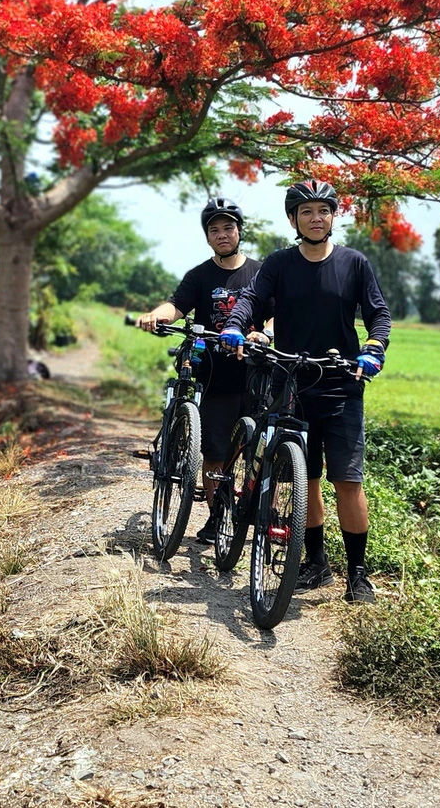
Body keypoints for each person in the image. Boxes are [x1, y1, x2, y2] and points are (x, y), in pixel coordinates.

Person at [218, 180, 390, 603]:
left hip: (340, 385)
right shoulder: (278, 264)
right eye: (307, 212)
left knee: (347, 481)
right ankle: (315, 562)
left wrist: (374, 349)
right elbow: (250, 300)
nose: (316, 218)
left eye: (324, 211)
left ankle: (358, 574)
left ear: (334, 216)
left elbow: (378, 315)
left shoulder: (354, 263)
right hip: (291, 383)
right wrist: (236, 326)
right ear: (293, 219)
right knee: (305, 479)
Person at [132, 196, 261, 546]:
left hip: (255, 374)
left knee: (257, 451)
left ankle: (253, 513)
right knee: (215, 452)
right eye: (214, 230)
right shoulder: (200, 275)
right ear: (207, 237)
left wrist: (266, 331)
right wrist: (157, 315)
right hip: (216, 377)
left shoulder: (261, 273)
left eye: (228, 228)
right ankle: (217, 516)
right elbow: (176, 305)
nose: (222, 235)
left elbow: (277, 312)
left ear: (239, 232)